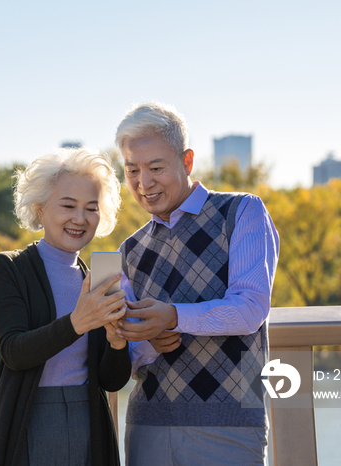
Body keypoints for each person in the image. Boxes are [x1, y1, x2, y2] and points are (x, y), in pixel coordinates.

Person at [113, 102, 280, 466]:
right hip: (148, 428)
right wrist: (149, 340)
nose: (144, 183)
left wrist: (172, 317)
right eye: (132, 170)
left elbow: (250, 308)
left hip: (228, 429)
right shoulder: (130, 250)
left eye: (156, 167)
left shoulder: (241, 213)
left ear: (187, 161)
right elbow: (128, 354)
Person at [0, 147, 131, 466]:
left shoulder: (95, 280)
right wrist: (78, 322)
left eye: (91, 208)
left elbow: (111, 382)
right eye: (68, 205)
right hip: (26, 421)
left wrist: (117, 343)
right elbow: (14, 351)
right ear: (40, 208)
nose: (80, 218)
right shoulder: (8, 269)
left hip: (88, 419)